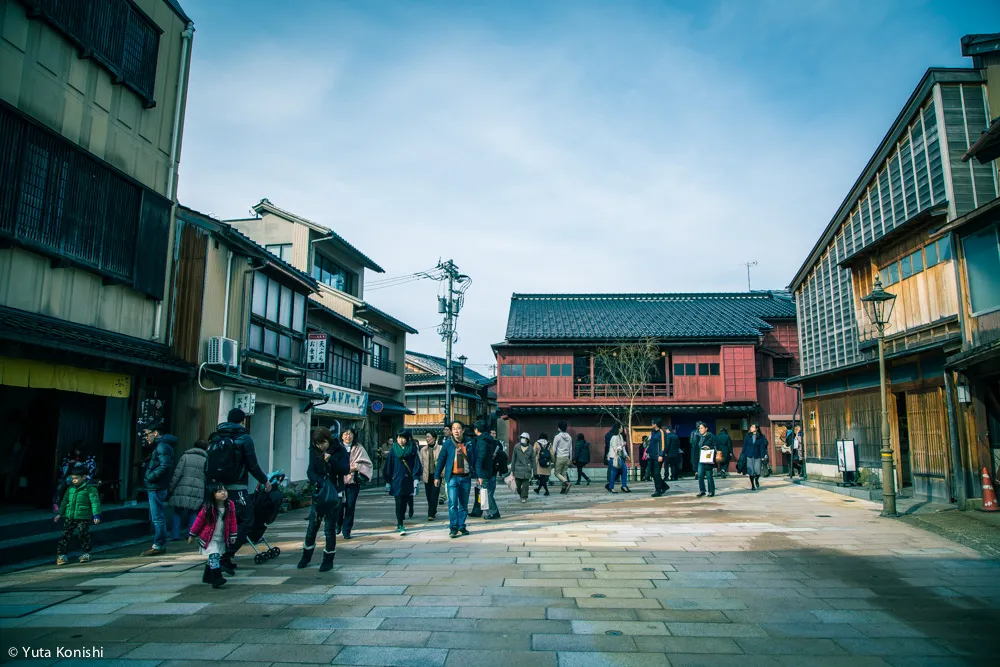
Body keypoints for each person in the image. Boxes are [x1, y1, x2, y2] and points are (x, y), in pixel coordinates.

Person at [215, 409, 271, 574]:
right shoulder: (244, 438)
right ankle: (226, 556)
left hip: (217, 488)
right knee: (246, 521)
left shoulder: (218, 436)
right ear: (242, 421)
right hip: (236, 488)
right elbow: (252, 465)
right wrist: (264, 481)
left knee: (223, 522)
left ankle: (222, 556)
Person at [300, 427, 350, 570]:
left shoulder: (339, 450)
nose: (321, 446)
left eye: (323, 442)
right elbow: (310, 470)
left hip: (335, 493)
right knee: (312, 526)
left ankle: (328, 559)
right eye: (317, 443)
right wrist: (319, 482)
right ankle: (306, 556)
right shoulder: (314, 451)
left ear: (328, 439)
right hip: (320, 493)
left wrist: (332, 460)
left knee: (329, 528)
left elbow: (345, 469)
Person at [188, 483, 237, 588]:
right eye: (219, 491)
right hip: (208, 538)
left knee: (215, 556)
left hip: (221, 537)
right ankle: (217, 578)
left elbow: (233, 521)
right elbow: (198, 522)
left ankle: (207, 576)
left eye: (225, 490)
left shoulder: (230, 505)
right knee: (214, 555)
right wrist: (192, 534)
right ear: (212, 494)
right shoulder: (207, 508)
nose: (223, 493)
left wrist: (233, 534)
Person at [54, 465, 101, 565]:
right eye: (72, 478)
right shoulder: (70, 489)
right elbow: (64, 501)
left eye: (76, 478)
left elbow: (95, 502)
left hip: (83, 516)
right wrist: (60, 514)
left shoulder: (90, 488)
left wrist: (96, 514)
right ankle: (61, 555)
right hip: (70, 516)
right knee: (65, 535)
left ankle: (86, 553)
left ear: (84, 477)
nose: (74, 480)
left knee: (83, 534)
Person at [140, 425, 176, 557]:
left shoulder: (162, 446)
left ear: (155, 433)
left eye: (147, 434)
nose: (145, 437)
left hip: (156, 485)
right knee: (158, 516)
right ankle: (159, 544)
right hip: (156, 485)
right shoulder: (163, 446)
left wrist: (151, 476)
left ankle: (159, 545)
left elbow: (164, 465)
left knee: (157, 517)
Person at [435, 420, 473, 538]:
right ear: (452, 431)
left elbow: (476, 459)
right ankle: (453, 527)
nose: (456, 430)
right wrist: (437, 476)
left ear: (463, 430)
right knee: (452, 504)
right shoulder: (447, 444)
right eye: (454, 428)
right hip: (452, 477)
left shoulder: (470, 442)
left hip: (465, 477)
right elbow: (441, 460)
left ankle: (462, 525)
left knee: (463, 504)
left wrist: (480, 475)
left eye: (458, 428)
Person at [167, 439, 208, 541]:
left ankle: (175, 535)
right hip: (198, 490)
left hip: (182, 488)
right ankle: (190, 534)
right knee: (193, 512)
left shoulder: (185, 457)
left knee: (177, 512)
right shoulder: (206, 460)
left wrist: (171, 488)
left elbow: (177, 474)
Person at [384, 429, 422, 536]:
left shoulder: (412, 449)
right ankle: (400, 523)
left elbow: (416, 465)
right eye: (399, 438)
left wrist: (416, 479)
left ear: (407, 439)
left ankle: (403, 517)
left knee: (405, 501)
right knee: (399, 502)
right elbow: (389, 465)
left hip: (408, 480)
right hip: (396, 480)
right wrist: (388, 480)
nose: (401, 440)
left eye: (403, 438)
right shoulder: (393, 450)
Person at [338, 427, 372, 540]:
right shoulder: (337, 447)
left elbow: (366, 462)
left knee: (350, 505)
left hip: (353, 481)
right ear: (342, 436)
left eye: (350, 434)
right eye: (346, 434)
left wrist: (355, 467)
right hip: (338, 481)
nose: (348, 436)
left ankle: (347, 530)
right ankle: (338, 524)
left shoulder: (358, 448)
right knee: (338, 505)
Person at [474, 421, 503, 520]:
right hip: (489, 469)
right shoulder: (489, 439)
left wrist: (478, 473)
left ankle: (493, 512)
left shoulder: (482, 441)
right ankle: (481, 510)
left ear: (476, 430)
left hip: (484, 471)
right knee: (487, 492)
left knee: (486, 492)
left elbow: (480, 457)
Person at [418, 432, 442, 521]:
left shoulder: (440, 449)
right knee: (428, 495)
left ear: (434, 438)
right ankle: (433, 510)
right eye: (426, 437)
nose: (427, 439)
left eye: (428, 437)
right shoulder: (423, 450)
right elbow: (421, 463)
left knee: (434, 494)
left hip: (437, 475)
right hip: (427, 475)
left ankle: (430, 514)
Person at [511, 433, 537, 503]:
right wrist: (512, 470)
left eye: (524, 438)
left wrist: (535, 472)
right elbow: (513, 459)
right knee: (518, 485)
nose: (522, 439)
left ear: (527, 440)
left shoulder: (530, 448)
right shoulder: (516, 447)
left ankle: (524, 497)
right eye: (521, 437)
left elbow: (533, 460)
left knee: (526, 485)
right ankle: (521, 494)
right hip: (518, 469)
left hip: (526, 469)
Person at [743, 423, 769, 491]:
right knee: (751, 471)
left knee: (758, 471)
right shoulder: (748, 436)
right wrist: (743, 454)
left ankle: (756, 480)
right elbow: (744, 446)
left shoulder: (761, 436)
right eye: (751, 427)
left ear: (756, 428)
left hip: (757, 455)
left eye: (753, 427)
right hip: (749, 455)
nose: (751, 428)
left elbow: (762, 447)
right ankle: (752, 485)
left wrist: (762, 456)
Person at [695, 423, 718, 498]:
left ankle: (711, 491)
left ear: (706, 428)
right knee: (700, 475)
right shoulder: (698, 437)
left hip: (708, 458)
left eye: (701, 428)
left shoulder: (711, 436)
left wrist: (709, 447)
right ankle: (702, 491)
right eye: (699, 428)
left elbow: (716, 446)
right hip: (700, 458)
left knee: (709, 476)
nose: (700, 430)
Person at [648, 418, 669, 497]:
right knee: (653, 473)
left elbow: (663, 444)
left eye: (652, 423)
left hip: (658, 456)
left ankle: (658, 490)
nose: (651, 424)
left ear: (655, 424)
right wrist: (648, 452)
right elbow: (651, 443)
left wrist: (661, 454)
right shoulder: (653, 432)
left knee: (657, 473)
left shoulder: (661, 432)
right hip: (652, 455)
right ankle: (664, 485)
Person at [606, 427, 630, 493]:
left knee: (624, 470)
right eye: (621, 427)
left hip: (620, 457)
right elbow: (615, 448)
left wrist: (626, 455)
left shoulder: (620, 436)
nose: (622, 429)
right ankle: (611, 487)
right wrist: (622, 445)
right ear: (618, 429)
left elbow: (623, 448)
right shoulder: (614, 437)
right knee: (614, 472)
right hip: (614, 457)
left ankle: (624, 486)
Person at [552, 421, 573, 494]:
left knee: (557, 473)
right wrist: (571, 459)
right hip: (567, 457)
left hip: (559, 457)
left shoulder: (557, 437)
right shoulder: (569, 437)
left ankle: (566, 483)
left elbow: (554, 449)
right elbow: (571, 448)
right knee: (563, 473)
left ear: (559, 428)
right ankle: (563, 489)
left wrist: (552, 458)